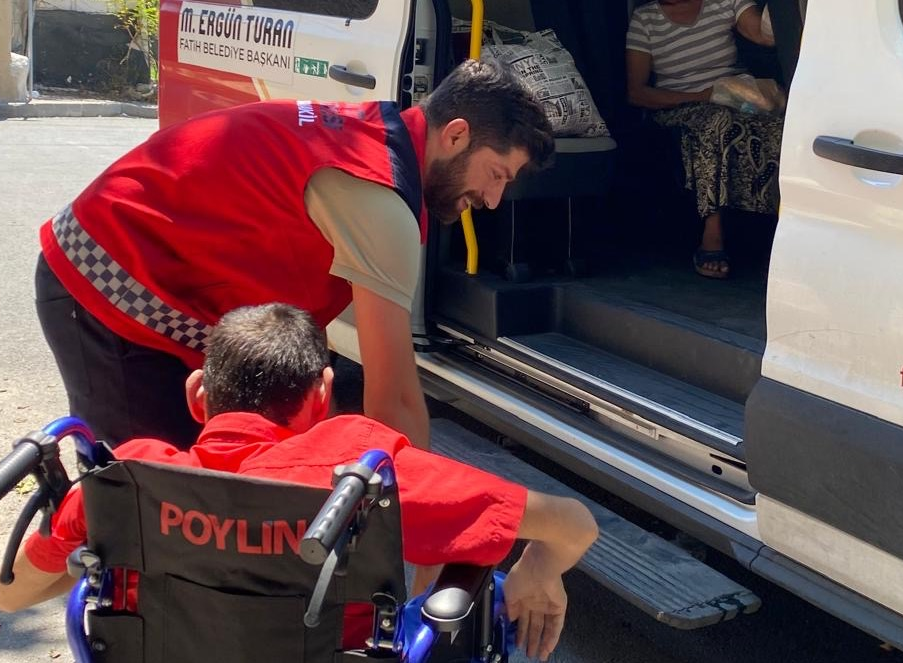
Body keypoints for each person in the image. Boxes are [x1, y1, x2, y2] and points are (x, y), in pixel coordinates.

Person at [0, 303, 598, 662]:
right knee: (490, 586)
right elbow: (573, 524)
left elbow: (12, 596)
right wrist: (538, 569)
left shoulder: (133, 481)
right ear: (323, 395)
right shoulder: (358, 476)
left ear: (197, 397)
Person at [35, 58, 554, 451]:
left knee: (220, 481)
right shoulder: (378, 195)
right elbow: (392, 399)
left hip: (156, 277)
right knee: (155, 509)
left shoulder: (381, 138)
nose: (491, 201)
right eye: (495, 175)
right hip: (106, 279)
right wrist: (423, 536)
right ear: (456, 135)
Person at [625, 0, 780, 279]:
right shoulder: (645, 20)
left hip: (736, 101)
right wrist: (702, 96)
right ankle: (712, 233)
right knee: (715, 122)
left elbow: (764, 33)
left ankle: (778, 232)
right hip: (679, 106)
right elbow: (637, 93)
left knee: (778, 127)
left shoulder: (723, 3)